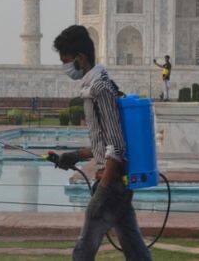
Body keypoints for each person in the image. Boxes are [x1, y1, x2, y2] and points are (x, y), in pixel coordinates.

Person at [52, 25, 151, 261]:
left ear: (81, 58)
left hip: (112, 184)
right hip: (116, 183)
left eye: (67, 61)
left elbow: (116, 146)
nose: (66, 68)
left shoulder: (101, 88)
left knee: (83, 251)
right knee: (135, 249)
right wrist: (75, 155)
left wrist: (102, 192)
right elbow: (105, 143)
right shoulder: (93, 87)